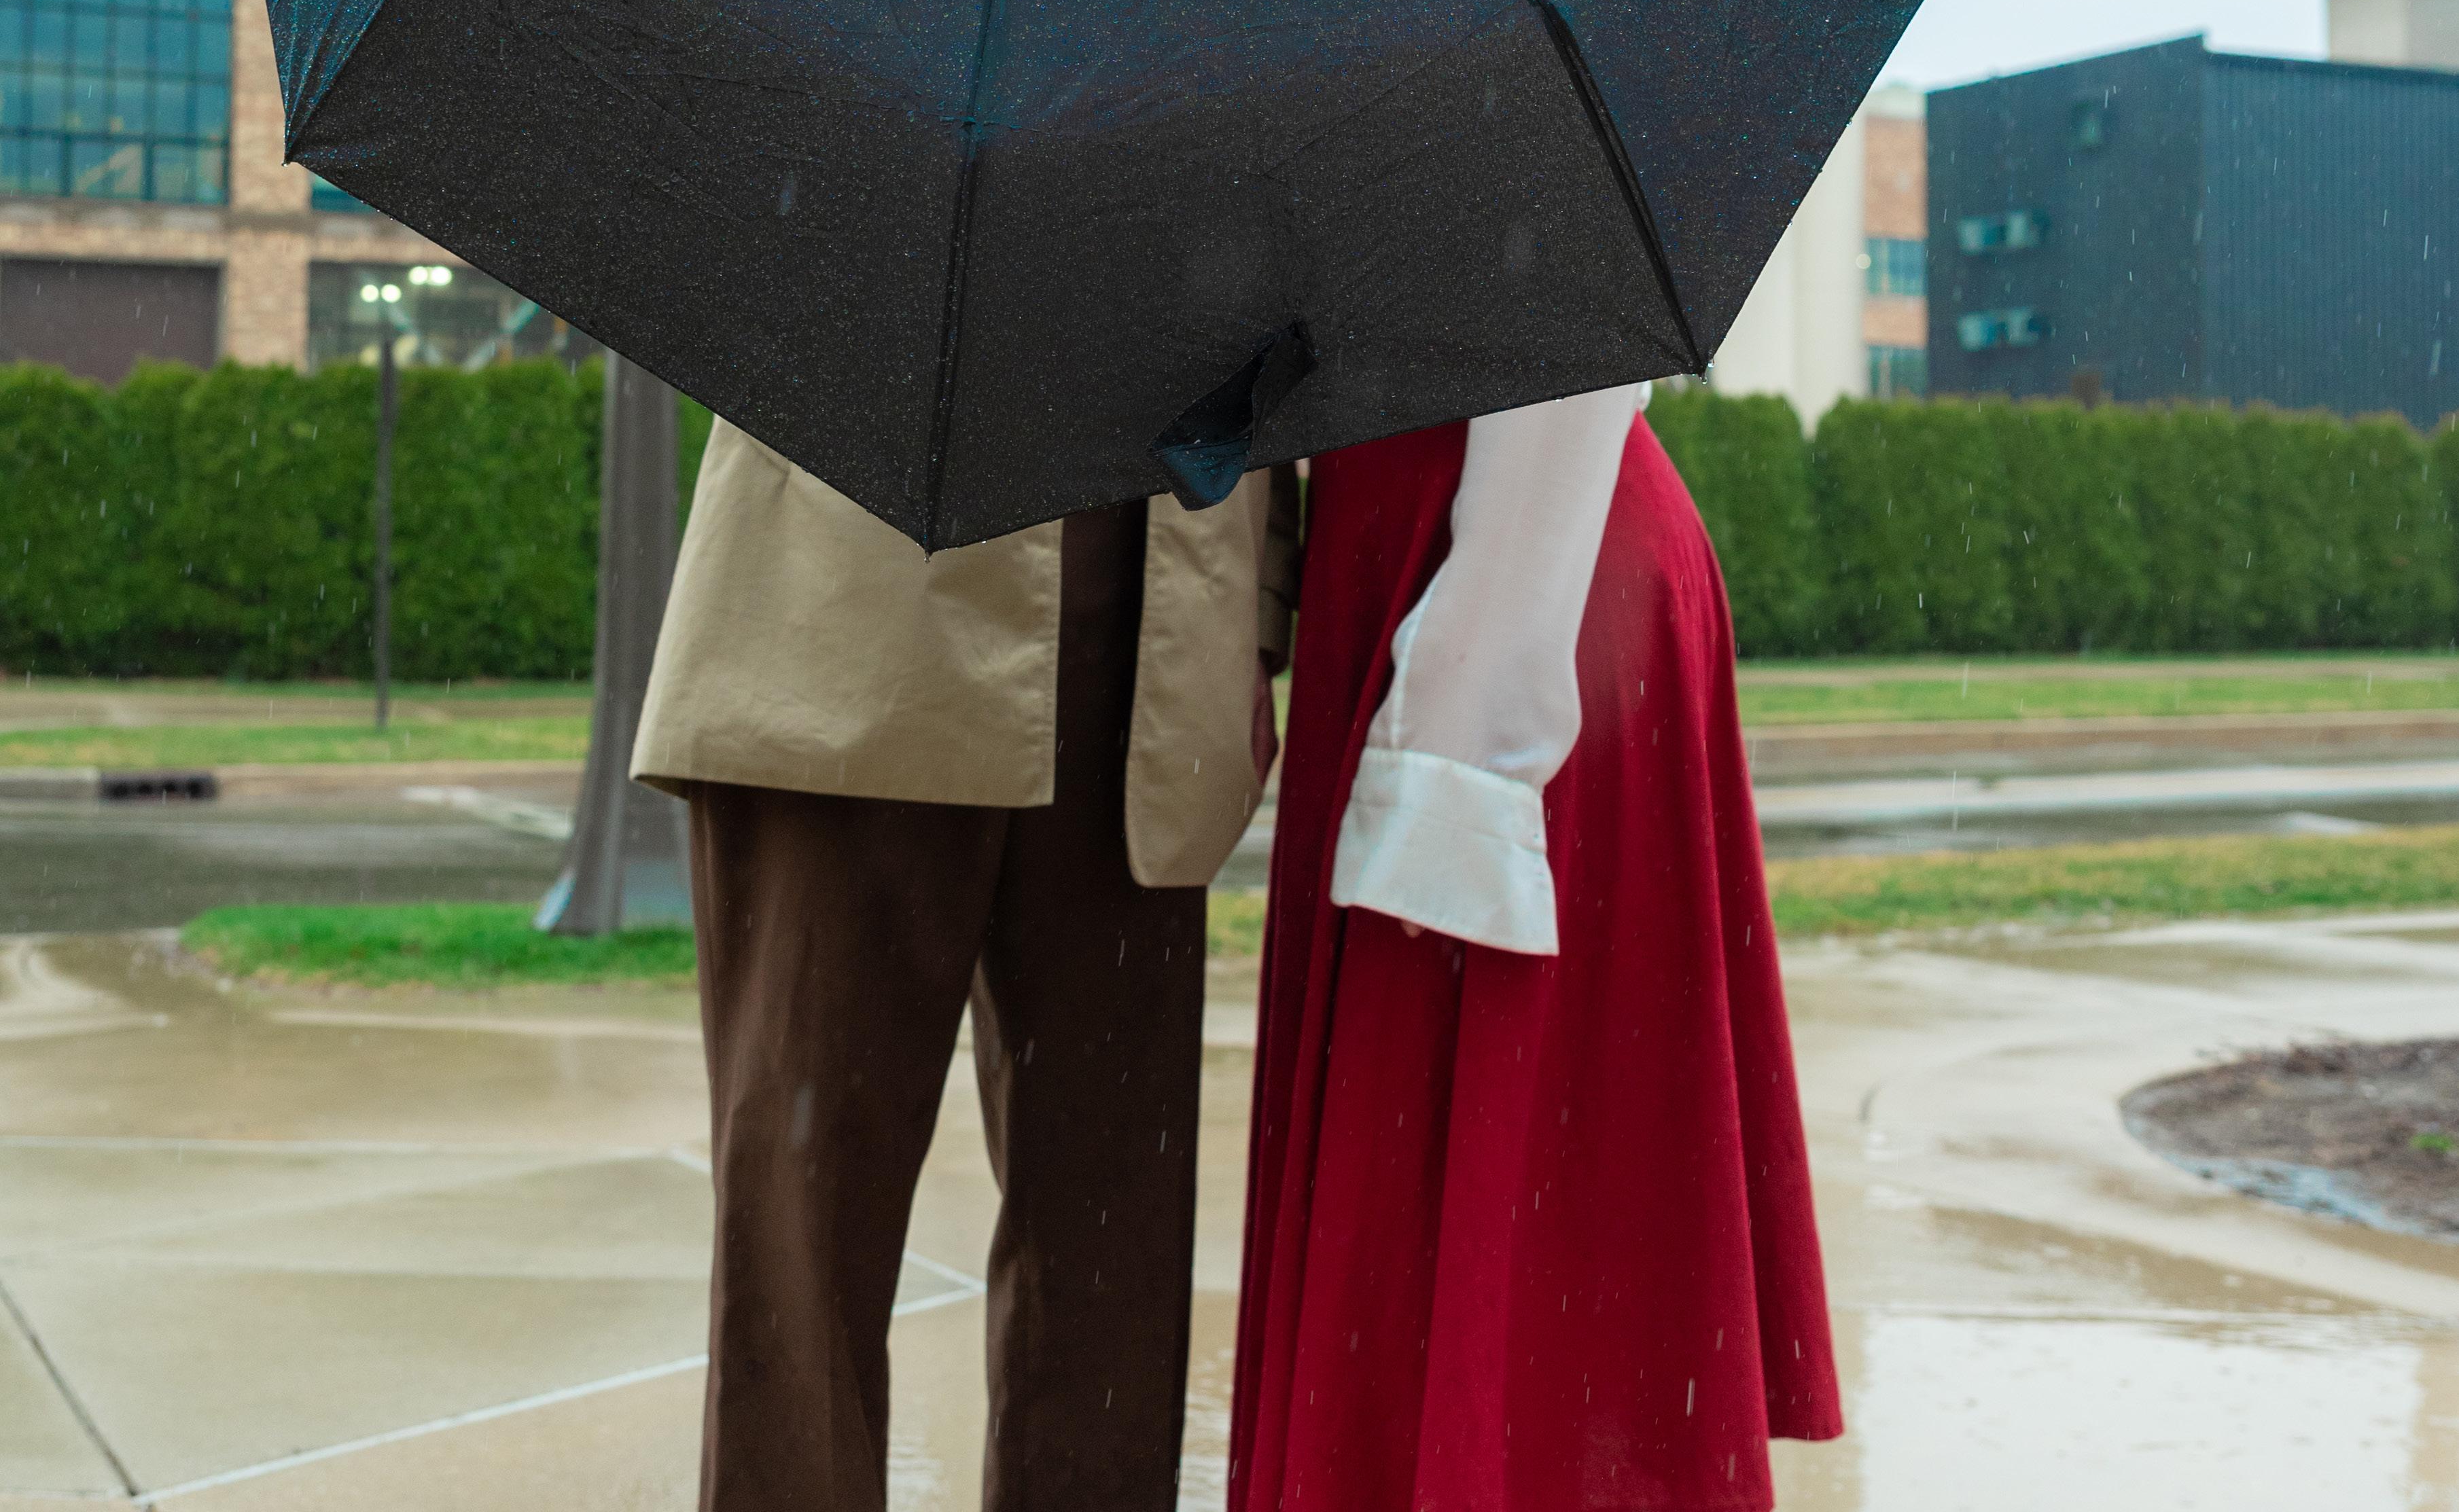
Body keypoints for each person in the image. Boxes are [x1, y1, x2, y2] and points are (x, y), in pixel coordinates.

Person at [633, 416, 1298, 1511]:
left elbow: (1282, 350)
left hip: (1155, 645)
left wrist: (1255, 619)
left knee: (1110, 1252)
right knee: (805, 1232)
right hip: (841, 628)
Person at [1231, 382, 1841, 1511]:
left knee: (1484, 1205)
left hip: (1512, 593)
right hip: (1470, 573)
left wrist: (1456, 750)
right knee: (1478, 1205)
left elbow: (1565, 364)